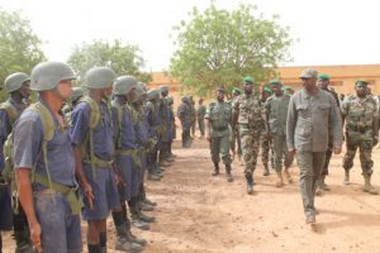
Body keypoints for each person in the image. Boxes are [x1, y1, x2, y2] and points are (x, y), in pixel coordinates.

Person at [14, 61, 83, 252]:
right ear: (50, 83)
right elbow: (22, 174)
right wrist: (33, 221)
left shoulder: (59, 116)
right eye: (66, 81)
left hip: (68, 196)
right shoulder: (32, 119)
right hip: (48, 202)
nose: (71, 85)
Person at [70, 67, 121, 252]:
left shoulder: (104, 106)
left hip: (105, 170)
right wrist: (84, 182)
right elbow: (74, 146)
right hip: (91, 172)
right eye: (110, 83)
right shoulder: (83, 109)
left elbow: (108, 142)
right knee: (93, 221)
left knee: (102, 217)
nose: (112, 87)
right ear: (100, 84)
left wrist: (113, 171)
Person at [287, 68, 342, 224]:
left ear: (314, 80)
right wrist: (290, 144)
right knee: (306, 174)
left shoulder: (328, 98)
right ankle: (309, 210)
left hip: (321, 143)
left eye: (306, 79)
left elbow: (336, 120)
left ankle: (309, 201)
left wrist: (337, 141)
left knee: (316, 175)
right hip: (302, 142)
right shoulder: (296, 98)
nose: (303, 82)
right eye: (302, 79)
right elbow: (290, 123)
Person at [110, 75, 145, 252]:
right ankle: (121, 237)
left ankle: (127, 232)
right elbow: (112, 141)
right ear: (124, 90)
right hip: (120, 159)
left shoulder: (125, 109)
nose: (135, 92)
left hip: (130, 157)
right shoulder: (114, 110)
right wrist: (114, 169)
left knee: (125, 196)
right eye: (132, 89)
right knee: (119, 197)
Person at [0, 72, 32, 252]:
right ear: (16, 87)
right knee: (17, 203)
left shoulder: (27, 107)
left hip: (27, 163)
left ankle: (29, 237)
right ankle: (21, 242)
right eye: (26, 85)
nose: (29, 88)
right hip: (12, 166)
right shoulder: (6, 110)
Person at [341, 80, 379, 194]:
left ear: (366, 88)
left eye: (363, 87)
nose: (361, 89)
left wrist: (376, 134)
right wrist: (340, 132)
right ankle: (346, 171)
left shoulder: (372, 102)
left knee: (367, 157)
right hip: (352, 133)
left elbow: (376, 118)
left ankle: (367, 183)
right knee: (349, 156)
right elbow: (341, 116)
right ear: (355, 88)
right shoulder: (348, 101)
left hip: (367, 133)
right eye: (359, 87)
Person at [233, 76, 264, 194]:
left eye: (251, 84)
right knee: (246, 153)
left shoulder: (257, 100)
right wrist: (234, 128)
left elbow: (262, 115)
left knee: (255, 155)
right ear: (243, 86)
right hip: (244, 130)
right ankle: (249, 179)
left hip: (256, 131)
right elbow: (234, 114)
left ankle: (251, 172)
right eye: (246, 84)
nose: (249, 86)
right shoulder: (238, 99)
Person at [264, 79, 293, 187]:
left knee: (290, 153)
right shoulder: (269, 100)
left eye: (276, 85)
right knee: (277, 155)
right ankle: (279, 176)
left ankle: (286, 169)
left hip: (288, 130)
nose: (274, 86)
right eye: (272, 85)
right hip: (275, 131)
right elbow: (265, 115)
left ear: (281, 86)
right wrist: (267, 129)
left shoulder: (289, 99)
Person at [316, 74, 341, 191]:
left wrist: (337, 134)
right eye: (320, 81)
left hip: (328, 131)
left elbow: (337, 115)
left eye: (324, 81)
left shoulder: (333, 96)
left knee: (327, 155)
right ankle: (313, 181)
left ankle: (321, 180)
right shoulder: (312, 93)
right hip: (315, 130)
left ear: (328, 83)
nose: (321, 83)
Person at [205, 88, 233, 182]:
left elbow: (232, 120)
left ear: (224, 95)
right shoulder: (212, 106)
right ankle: (216, 168)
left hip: (225, 132)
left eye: (221, 93)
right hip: (214, 133)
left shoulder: (228, 106)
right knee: (214, 153)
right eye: (218, 93)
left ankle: (228, 172)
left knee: (226, 153)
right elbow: (207, 120)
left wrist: (233, 132)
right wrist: (208, 133)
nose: (220, 95)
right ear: (215, 95)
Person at [260, 86, 274, 176]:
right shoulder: (258, 104)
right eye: (264, 93)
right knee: (264, 150)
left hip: (273, 131)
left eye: (267, 93)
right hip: (262, 131)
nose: (265, 95)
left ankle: (274, 163)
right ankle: (266, 167)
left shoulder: (273, 104)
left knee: (274, 149)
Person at [229, 87, 243, 161]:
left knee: (240, 141)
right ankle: (233, 153)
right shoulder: (229, 103)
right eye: (233, 93)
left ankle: (239, 156)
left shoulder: (241, 103)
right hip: (231, 125)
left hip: (239, 124)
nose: (233, 95)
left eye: (235, 94)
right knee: (231, 141)